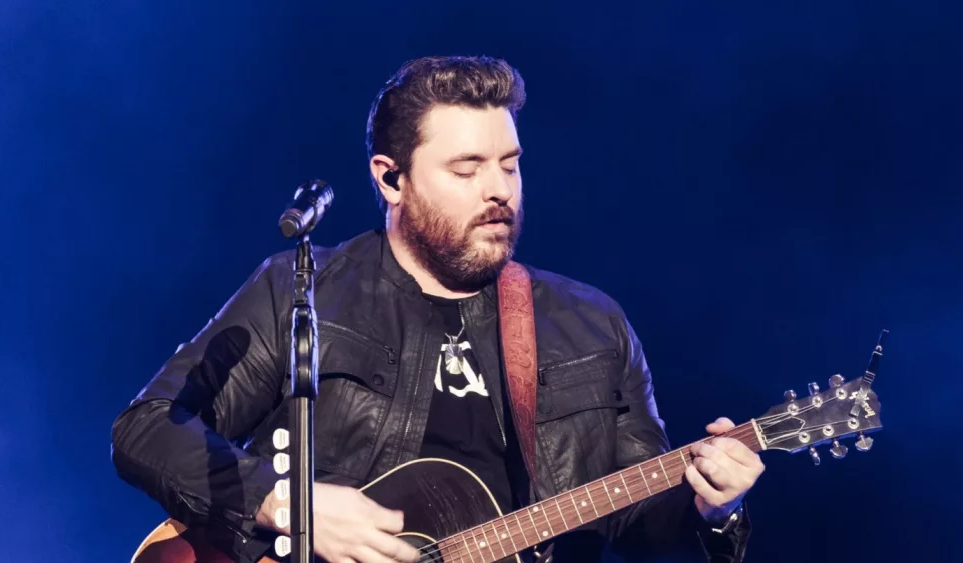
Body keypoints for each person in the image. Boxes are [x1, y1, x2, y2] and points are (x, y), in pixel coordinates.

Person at [111, 55, 764, 563]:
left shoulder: (591, 326)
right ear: (391, 178)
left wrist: (717, 509)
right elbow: (146, 430)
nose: (497, 190)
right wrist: (288, 502)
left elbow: (646, 531)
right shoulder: (304, 290)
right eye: (467, 168)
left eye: (509, 166)